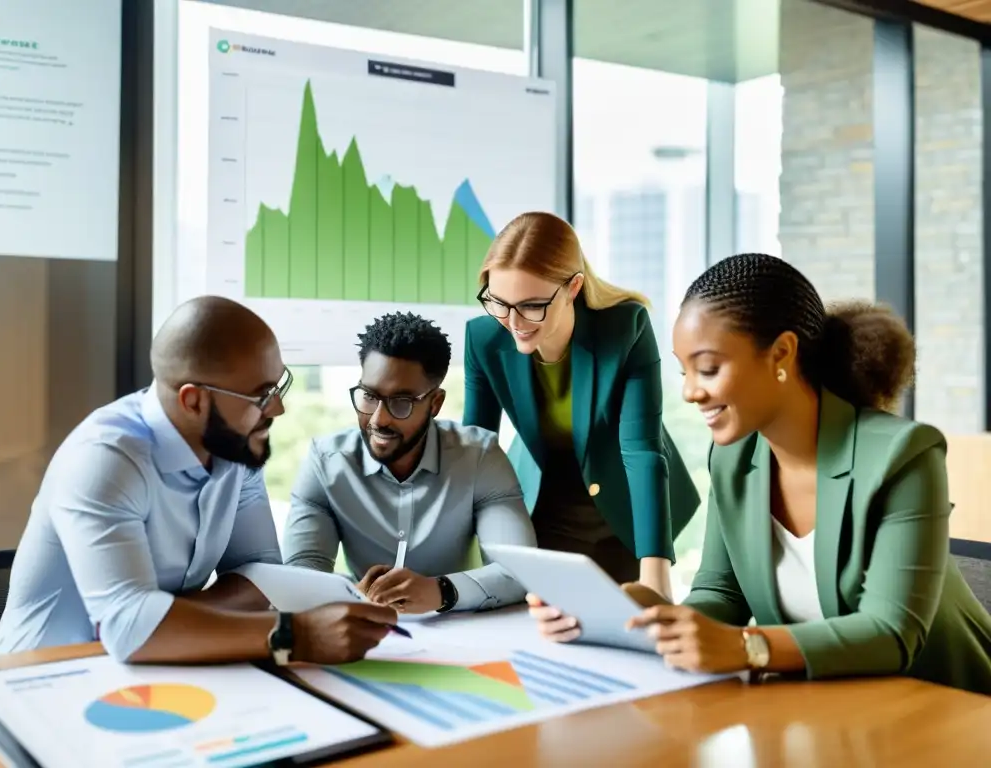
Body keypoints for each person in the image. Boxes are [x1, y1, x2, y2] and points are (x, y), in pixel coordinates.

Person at [530, 253, 991, 696]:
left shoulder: (903, 455)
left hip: (950, 708)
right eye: (684, 371)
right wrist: (636, 612)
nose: (690, 392)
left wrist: (747, 648)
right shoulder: (734, 459)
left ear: (782, 354)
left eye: (708, 368)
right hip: (835, 709)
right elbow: (720, 595)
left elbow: (891, 632)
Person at [0, 296, 398, 665]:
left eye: (279, 385)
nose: (278, 408)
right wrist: (297, 634)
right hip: (36, 681)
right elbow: (131, 628)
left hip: (155, 667)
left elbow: (259, 574)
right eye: (261, 395)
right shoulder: (104, 458)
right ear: (193, 400)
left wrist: (168, 622)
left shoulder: (234, 450)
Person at [463, 211, 700, 596]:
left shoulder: (626, 328)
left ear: (573, 287)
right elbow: (472, 452)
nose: (513, 320)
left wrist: (655, 577)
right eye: (499, 302)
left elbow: (641, 452)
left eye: (532, 305)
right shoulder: (484, 338)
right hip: (542, 510)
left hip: (625, 513)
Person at [283, 312, 536, 615]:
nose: (379, 419)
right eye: (369, 396)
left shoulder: (480, 457)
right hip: (366, 636)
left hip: (462, 633)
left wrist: (441, 591)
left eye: (401, 402)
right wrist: (350, 595)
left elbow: (519, 572)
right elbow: (298, 575)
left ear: (435, 404)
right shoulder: (325, 463)